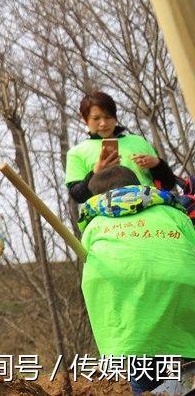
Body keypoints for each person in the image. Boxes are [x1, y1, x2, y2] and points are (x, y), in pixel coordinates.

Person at [77, 164, 195, 394]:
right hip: (184, 299)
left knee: (146, 375)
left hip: (132, 316)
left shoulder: (95, 225)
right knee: (183, 368)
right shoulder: (174, 213)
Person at [65, 91, 177, 204]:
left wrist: (156, 164)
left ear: (115, 117)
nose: (103, 123)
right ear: (84, 119)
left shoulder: (138, 141)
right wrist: (95, 173)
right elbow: (78, 195)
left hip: (149, 208)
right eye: (96, 118)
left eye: (108, 117)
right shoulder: (76, 153)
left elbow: (169, 183)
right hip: (106, 215)